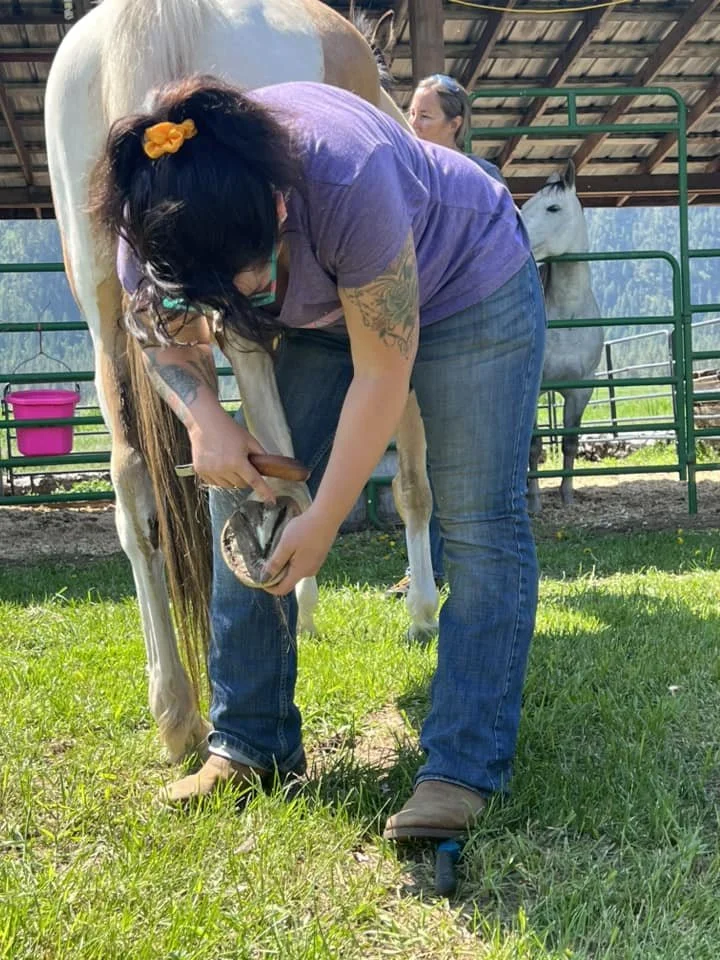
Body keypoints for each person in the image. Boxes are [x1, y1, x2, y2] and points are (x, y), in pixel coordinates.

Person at [96, 75, 545, 840]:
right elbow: (162, 335)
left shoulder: (345, 172)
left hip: (469, 283)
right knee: (245, 494)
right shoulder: (153, 210)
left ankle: (460, 768)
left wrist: (327, 520)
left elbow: (383, 373)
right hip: (327, 310)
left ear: (276, 206)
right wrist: (206, 421)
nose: (240, 300)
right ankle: (249, 744)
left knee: (479, 522)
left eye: (248, 277)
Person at [386, 73, 507, 599]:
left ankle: (470, 567)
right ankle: (425, 568)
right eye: (410, 113)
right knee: (419, 456)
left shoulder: (481, 178)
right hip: (411, 324)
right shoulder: (398, 175)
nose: (412, 123)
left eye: (425, 115)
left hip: (459, 328)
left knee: (458, 456)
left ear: (456, 124)